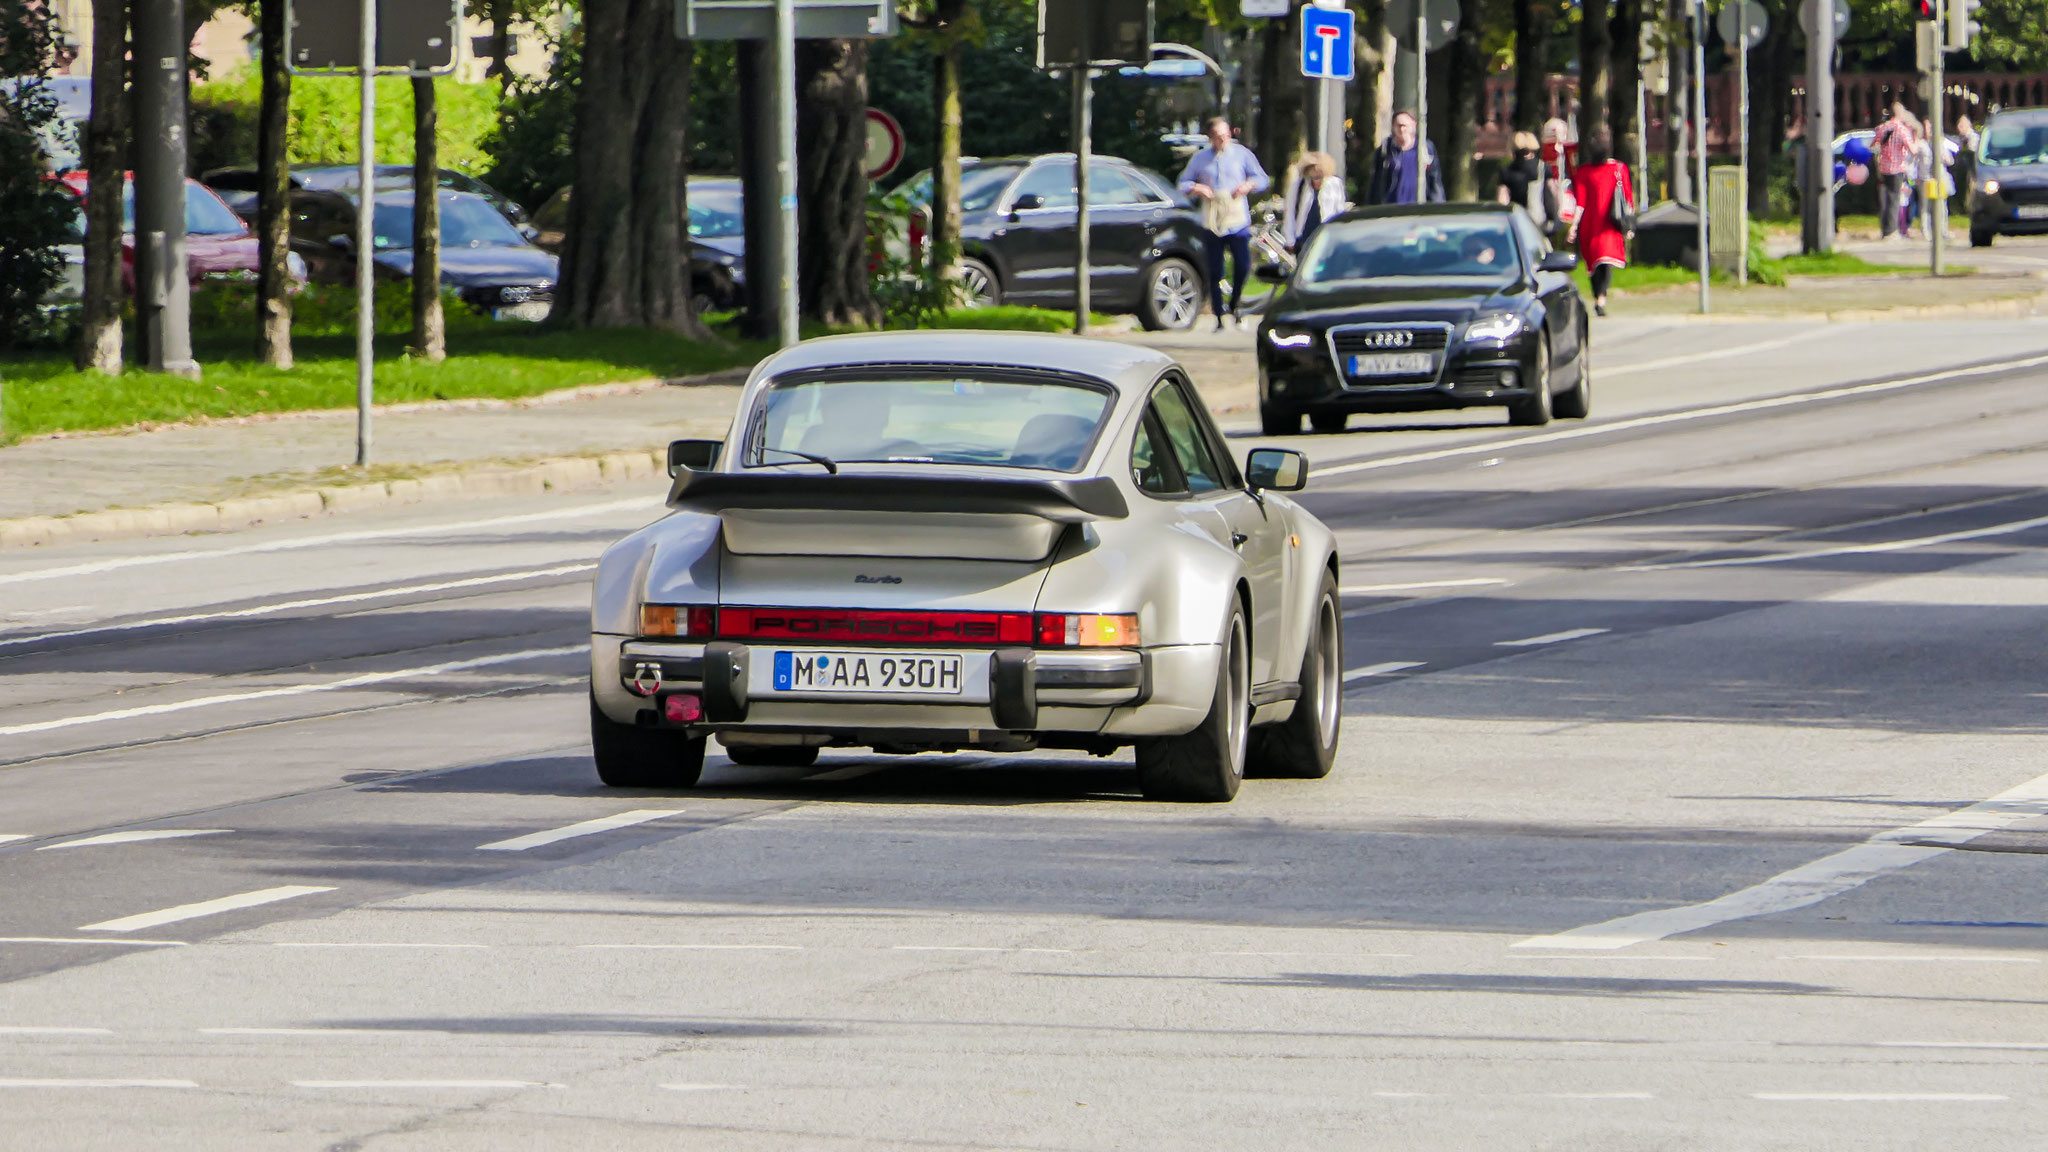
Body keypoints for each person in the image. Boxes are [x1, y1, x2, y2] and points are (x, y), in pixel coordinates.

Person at [1177, 116, 1270, 331]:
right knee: (1215, 270)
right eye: (1219, 136)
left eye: (1227, 135)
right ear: (1210, 137)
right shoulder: (1200, 158)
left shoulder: (1241, 154)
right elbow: (1182, 183)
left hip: (1236, 217)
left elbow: (1262, 178)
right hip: (1212, 218)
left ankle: (1235, 303)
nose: (1224, 140)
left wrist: (1249, 185)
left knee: (1242, 265)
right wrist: (1196, 187)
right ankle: (1218, 316)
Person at [1567, 128, 1634, 318]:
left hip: (1591, 226)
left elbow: (1580, 203)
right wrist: (1628, 226)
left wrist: (1573, 226)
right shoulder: (1619, 169)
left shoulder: (1583, 172)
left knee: (1596, 264)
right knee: (1604, 262)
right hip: (1609, 225)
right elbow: (1628, 199)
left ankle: (1599, 297)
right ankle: (1600, 298)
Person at [1365, 111, 1444, 206]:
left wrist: (1438, 205)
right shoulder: (1385, 150)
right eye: (1398, 126)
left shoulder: (1425, 149)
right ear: (1393, 127)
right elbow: (1375, 181)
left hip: (1418, 208)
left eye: (1405, 126)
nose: (1402, 129)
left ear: (1414, 125)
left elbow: (1435, 179)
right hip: (1391, 208)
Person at [1282, 150, 1348, 252]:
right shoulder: (1298, 186)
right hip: (1304, 236)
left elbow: (1339, 211)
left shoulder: (1335, 184)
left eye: (1320, 177)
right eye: (1313, 177)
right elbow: (1289, 213)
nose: (1317, 181)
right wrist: (1290, 240)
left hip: (1327, 235)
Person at [1496, 130, 1556, 234]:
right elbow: (1553, 192)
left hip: (1517, 221)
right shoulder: (1542, 167)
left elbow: (1502, 200)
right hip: (1540, 221)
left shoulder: (1507, 170)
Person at [1874, 103, 1917, 241]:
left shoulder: (1882, 128)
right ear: (1900, 114)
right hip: (1897, 168)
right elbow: (1913, 149)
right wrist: (1916, 139)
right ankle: (1891, 231)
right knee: (1894, 199)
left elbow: (1874, 144)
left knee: (1886, 199)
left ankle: (1885, 228)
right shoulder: (1901, 129)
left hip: (1884, 168)